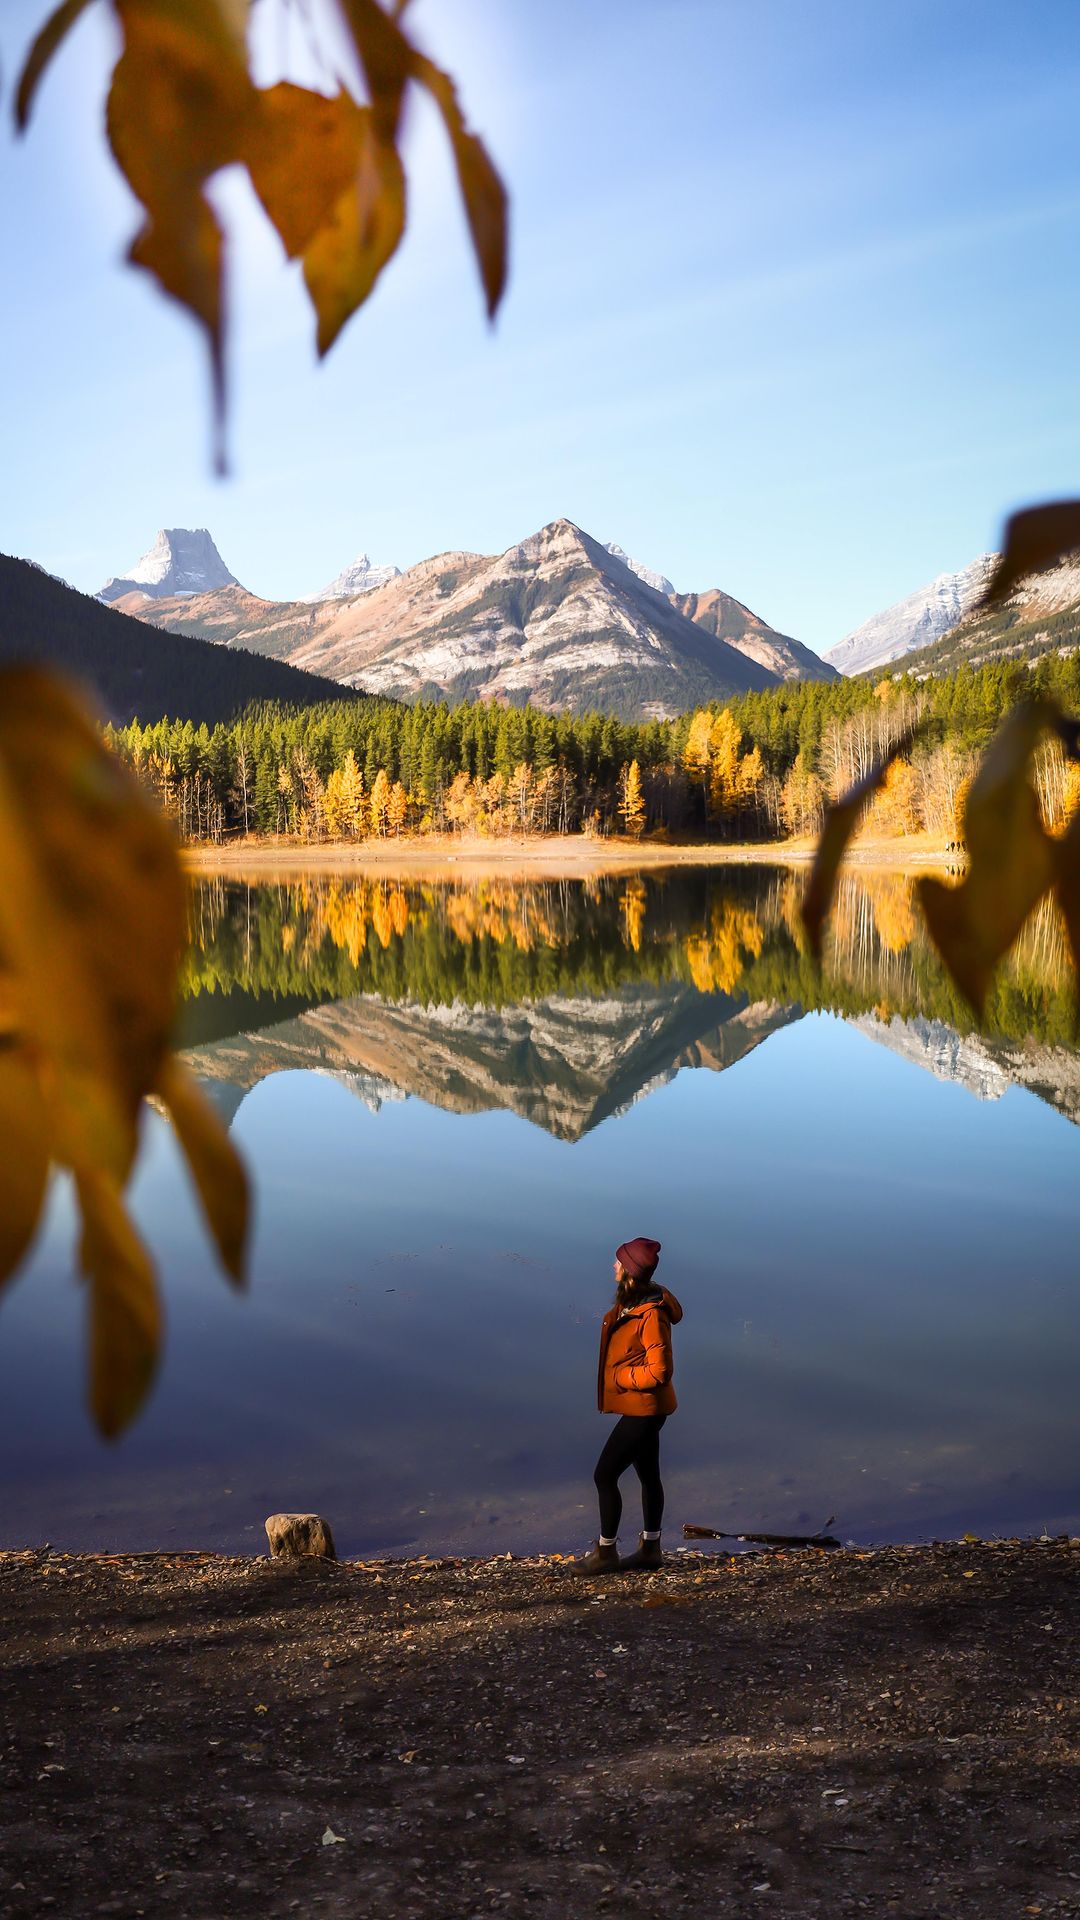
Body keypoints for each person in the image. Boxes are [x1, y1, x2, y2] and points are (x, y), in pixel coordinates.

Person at [570, 1236, 683, 1575]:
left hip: (644, 1410)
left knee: (604, 1475)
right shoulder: (633, 1302)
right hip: (645, 1408)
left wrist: (622, 1378)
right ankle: (650, 1549)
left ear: (630, 1271)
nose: (614, 1266)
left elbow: (661, 1370)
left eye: (618, 1262)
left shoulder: (650, 1315)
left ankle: (606, 1553)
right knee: (649, 1475)